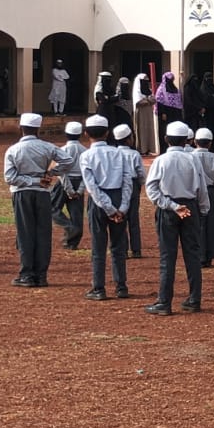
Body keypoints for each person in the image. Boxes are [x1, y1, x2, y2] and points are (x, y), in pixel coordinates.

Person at [143, 120, 208, 315]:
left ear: (166, 140)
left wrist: (171, 206)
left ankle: (164, 301)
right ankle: (194, 299)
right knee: (193, 255)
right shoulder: (193, 159)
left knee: (167, 257)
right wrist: (202, 211)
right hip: (190, 208)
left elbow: (151, 189)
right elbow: (202, 188)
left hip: (169, 209)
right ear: (186, 141)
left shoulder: (161, 161)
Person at [4, 112, 62, 287]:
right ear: (38, 129)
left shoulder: (13, 150)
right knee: (43, 233)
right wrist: (51, 173)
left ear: (21, 128)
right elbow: (68, 160)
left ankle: (27, 274)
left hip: (22, 193)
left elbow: (10, 177)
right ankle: (41, 275)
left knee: (25, 233)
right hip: (43, 192)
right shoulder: (47, 147)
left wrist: (30, 180)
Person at [80, 115, 132, 301]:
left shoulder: (86, 156)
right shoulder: (119, 153)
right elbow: (128, 181)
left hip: (99, 201)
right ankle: (121, 286)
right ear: (107, 133)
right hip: (118, 198)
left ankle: (99, 287)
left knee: (98, 246)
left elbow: (92, 187)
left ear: (86, 134)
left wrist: (108, 208)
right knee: (119, 245)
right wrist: (122, 207)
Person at [51, 121, 87, 251]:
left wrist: (69, 189)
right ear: (81, 134)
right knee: (77, 213)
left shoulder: (63, 150)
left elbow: (61, 171)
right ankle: (72, 243)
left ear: (66, 134)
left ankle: (69, 227)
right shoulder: (85, 151)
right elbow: (86, 173)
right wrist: (80, 190)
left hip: (64, 182)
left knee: (51, 207)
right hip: (80, 182)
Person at [114, 123, 147, 259]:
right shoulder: (134, 154)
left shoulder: (114, 153)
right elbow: (140, 173)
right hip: (133, 185)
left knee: (120, 216)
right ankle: (136, 249)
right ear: (128, 139)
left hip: (118, 185)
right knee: (133, 218)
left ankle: (123, 248)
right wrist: (140, 184)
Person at [193, 128, 214, 268]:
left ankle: (199, 255)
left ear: (195, 142)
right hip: (210, 190)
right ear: (210, 143)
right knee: (211, 224)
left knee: (197, 223)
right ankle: (209, 255)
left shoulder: (191, 156)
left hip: (195, 191)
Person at [153, 72, 182, 149]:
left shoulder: (175, 89)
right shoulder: (161, 90)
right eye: (169, 79)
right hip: (166, 114)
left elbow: (179, 101)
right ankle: (164, 148)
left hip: (175, 114)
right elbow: (159, 101)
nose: (171, 81)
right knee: (165, 130)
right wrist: (162, 113)